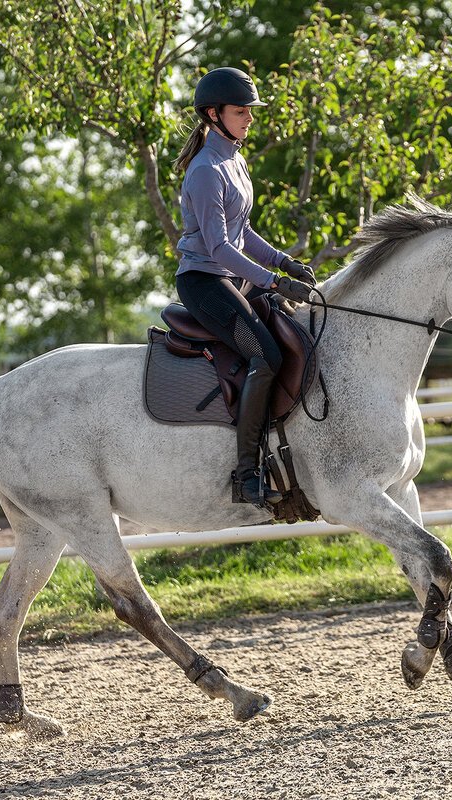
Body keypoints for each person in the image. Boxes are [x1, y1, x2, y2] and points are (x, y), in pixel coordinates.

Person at [173, 67, 316, 509]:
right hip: (204, 282)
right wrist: (274, 280)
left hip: (233, 275)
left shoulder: (234, 159)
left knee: (294, 328)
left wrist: (282, 259)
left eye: (250, 111)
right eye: (241, 112)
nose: (250, 119)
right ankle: (246, 474)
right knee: (266, 355)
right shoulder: (204, 170)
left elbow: (243, 231)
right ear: (213, 114)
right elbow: (217, 248)